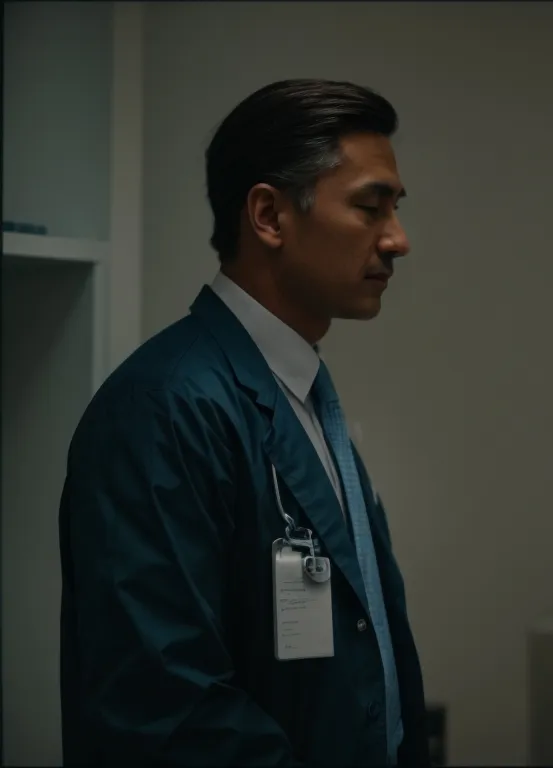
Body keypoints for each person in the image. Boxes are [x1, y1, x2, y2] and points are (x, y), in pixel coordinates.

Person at [58, 79, 426, 765]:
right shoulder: (165, 407)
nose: (398, 240)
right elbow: (165, 704)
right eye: (371, 208)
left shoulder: (304, 390)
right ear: (269, 216)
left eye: (395, 210)